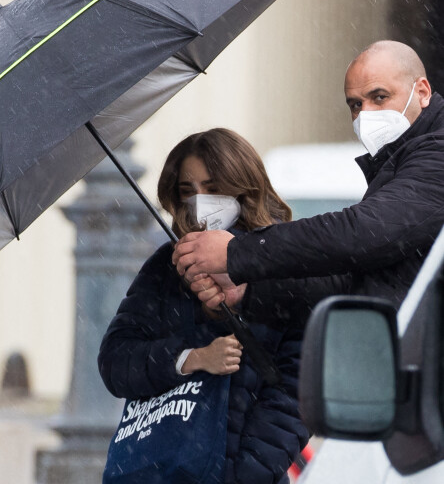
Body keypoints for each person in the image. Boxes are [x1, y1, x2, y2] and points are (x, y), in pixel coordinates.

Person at [98, 128, 311, 484]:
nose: (200, 201)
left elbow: (299, 387)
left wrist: (241, 478)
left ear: (243, 187)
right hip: (162, 477)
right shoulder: (166, 268)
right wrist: (192, 355)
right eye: (187, 190)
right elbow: (117, 363)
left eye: (213, 188)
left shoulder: (281, 264)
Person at [172, 41, 444, 315]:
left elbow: (364, 233)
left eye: (380, 97)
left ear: (421, 92)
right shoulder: (396, 163)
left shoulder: (437, 152)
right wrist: (250, 290)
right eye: (355, 104)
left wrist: (237, 252)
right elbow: (354, 283)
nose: (365, 115)